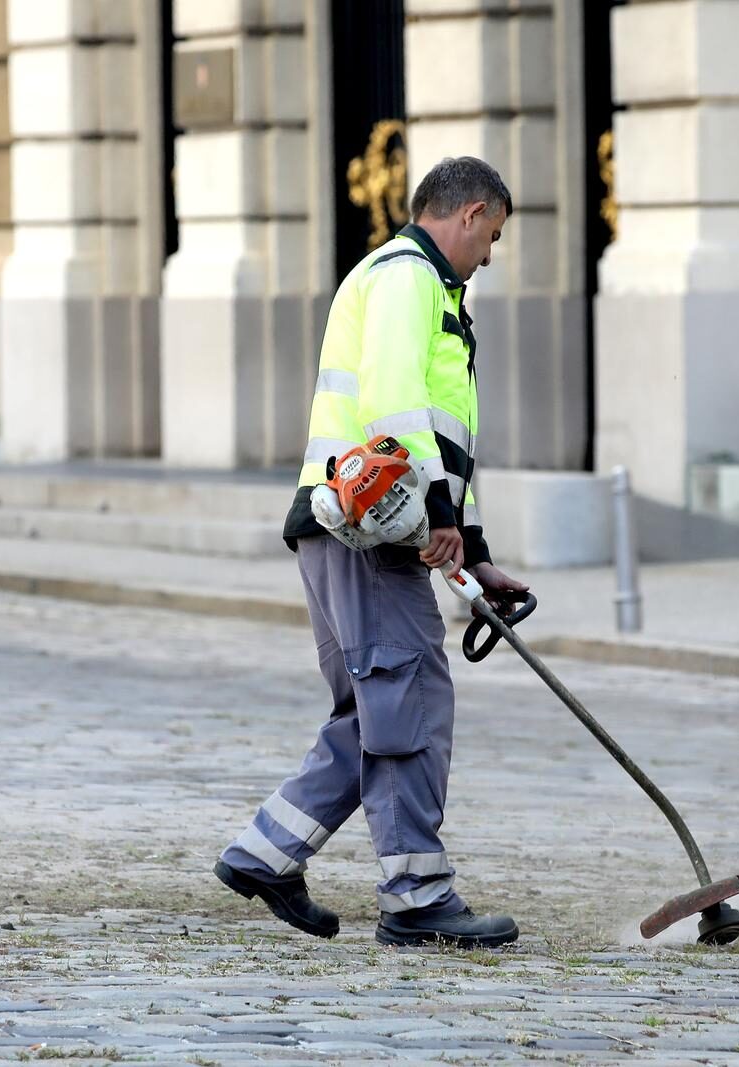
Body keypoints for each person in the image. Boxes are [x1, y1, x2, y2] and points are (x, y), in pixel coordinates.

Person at [214, 157, 528, 948]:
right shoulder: (408, 278)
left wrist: (474, 549)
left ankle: (266, 852)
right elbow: (392, 403)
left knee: (372, 709)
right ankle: (417, 897)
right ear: (470, 212)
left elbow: (444, 442)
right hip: (367, 533)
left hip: (356, 530)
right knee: (409, 701)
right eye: (491, 236)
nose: (490, 254)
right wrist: (436, 516)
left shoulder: (430, 292)